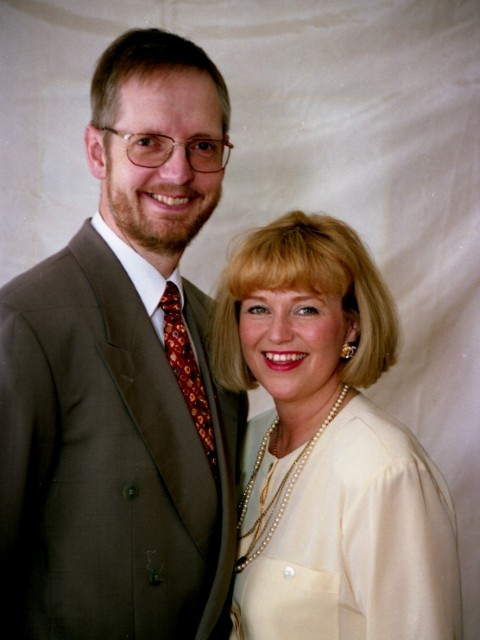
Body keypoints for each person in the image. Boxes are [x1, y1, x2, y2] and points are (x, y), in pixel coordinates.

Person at [0, 28, 247, 640]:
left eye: (203, 146)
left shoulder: (218, 326)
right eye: (148, 143)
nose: (179, 172)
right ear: (96, 151)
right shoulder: (27, 325)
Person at [210, 210, 463, 640]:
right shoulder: (248, 439)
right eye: (258, 308)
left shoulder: (385, 471)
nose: (277, 333)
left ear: (351, 327)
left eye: (305, 309)